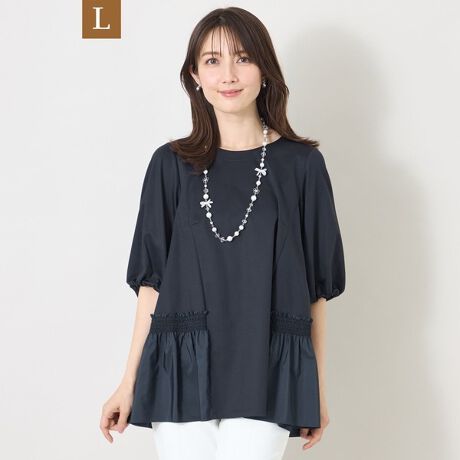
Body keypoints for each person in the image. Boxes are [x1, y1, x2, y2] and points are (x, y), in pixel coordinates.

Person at [100, 6, 346, 459]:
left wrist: (317, 392)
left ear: (265, 70)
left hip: (266, 369)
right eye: (212, 60)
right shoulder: (169, 165)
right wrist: (128, 382)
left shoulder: (302, 166)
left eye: (243, 58)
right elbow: (152, 285)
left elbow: (316, 291)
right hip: (181, 368)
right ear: (195, 75)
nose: (228, 75)